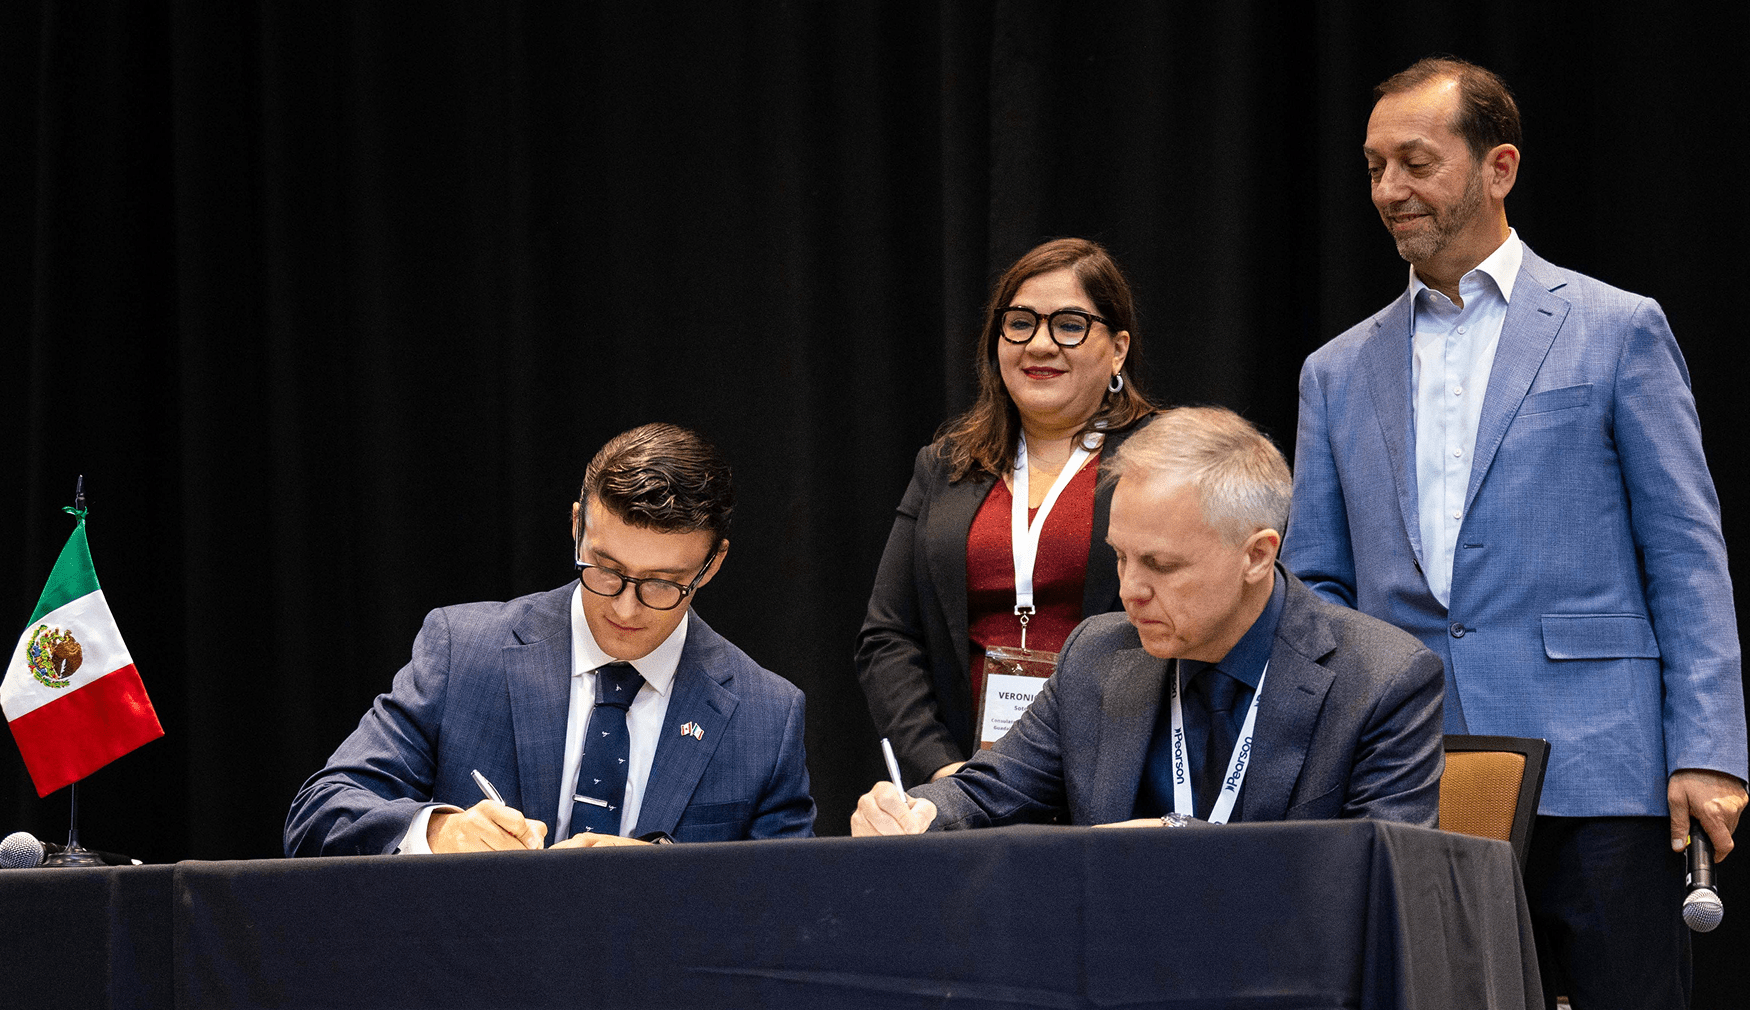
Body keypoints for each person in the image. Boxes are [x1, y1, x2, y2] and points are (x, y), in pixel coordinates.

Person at [1283, 57, 1747, 1008]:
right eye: (1374, 167)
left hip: (1602, 768)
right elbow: (1317, 586)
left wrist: (1707, 749)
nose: (1388, 190)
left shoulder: (1618, 329)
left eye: (1415, 162)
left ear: (1499, 168)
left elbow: (1687, 553)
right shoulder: (1334, 371)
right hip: (1416, 778)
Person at [852, 406, 1445, 836]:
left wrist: (1176, 844)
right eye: (1120, 556)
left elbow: (1377, 894)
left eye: (1160, 565)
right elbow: (989, 789)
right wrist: (920, 811)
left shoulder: (1382, 681)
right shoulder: (1099, 653)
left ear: (1258, 554)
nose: (1129, 590)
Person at [285, 423, 815, 855]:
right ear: (577, 526)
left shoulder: (766, 715)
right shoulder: (463, 650)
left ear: (711, 564)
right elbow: (319, 813)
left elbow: (789, 915)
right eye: (605, 570)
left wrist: (665, 883)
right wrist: (438, 831)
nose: (625, 607)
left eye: (662, 584)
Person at [858, 238, 1161, 788]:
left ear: (1117, 349)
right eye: (1020, 323)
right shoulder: (945, 464)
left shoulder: (1164, 461)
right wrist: (944, 771)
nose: (1039, 345)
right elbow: (888, 636)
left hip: (1119, 775)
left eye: (1069, 325)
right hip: (963, 781)